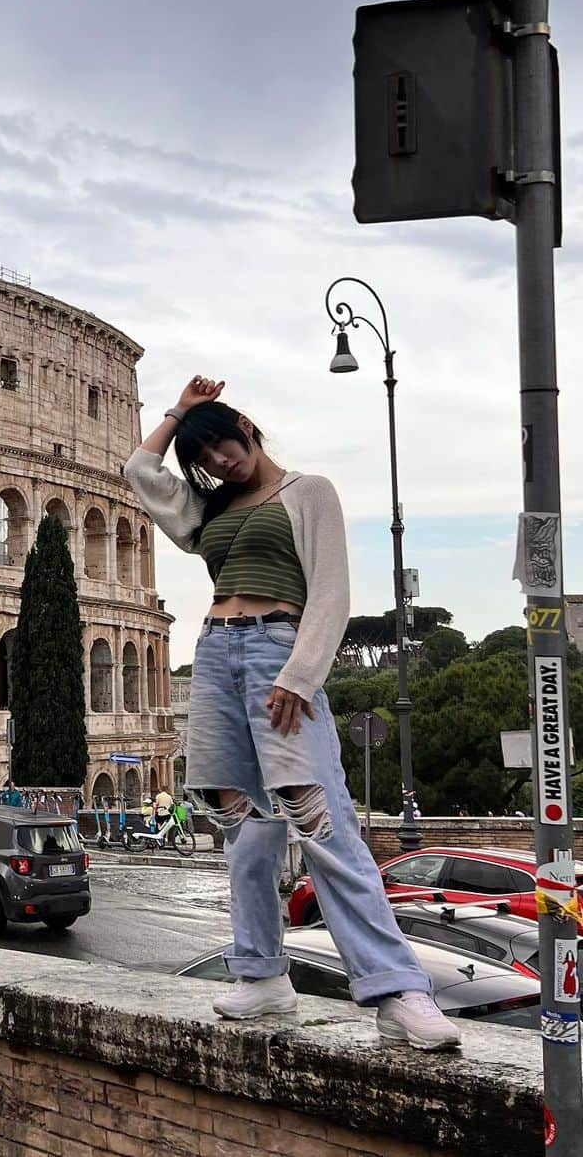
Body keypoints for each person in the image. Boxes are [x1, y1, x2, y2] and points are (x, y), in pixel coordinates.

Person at [123, 375, 460, 1051]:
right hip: (215, 655)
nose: (218, 460)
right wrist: (180, 415)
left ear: (245, 426)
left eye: (220, 442)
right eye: (205, 455)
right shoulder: (208, 513)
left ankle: (397, 988)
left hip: (280, 650)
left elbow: (331, 590)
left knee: (320, 822)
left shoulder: (309, 492)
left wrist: (302, 675)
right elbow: (138, 470)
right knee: (244, 827)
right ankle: (261, 972)